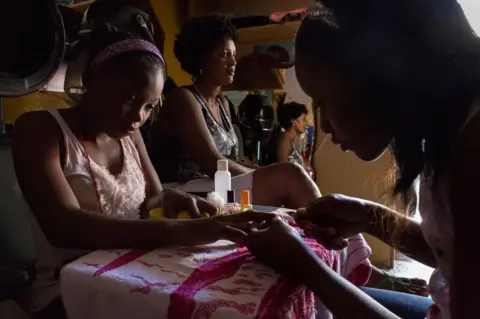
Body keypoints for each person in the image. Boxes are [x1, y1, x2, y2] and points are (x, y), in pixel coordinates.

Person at [12, 27, 275, 318]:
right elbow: (63, 226)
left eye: (149, 106)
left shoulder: (129, 135)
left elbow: (152, 198)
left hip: (133, 269)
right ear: (91, 79)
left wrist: (169, 199)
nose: (138, 117)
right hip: (70, 288)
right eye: (129, 98)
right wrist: (179, 231)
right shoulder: (40, 130)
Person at [247, 0, 480, 318]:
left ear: (375, 73)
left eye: (322, 101)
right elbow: (459, 254)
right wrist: (369, 217)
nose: (324, 126)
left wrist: (307, 267)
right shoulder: (451, 126)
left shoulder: (474, 144)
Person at [153, 15, 321, 208]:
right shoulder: (184, 99)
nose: (233, 62)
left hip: (217, 185)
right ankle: (324, 230)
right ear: (201, 59)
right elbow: (212, 162)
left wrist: (260, 169)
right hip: (184, 190)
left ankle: (319, 230)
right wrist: (262, 176)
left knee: (287, 174)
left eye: (233, 54)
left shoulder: (223, 103)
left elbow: (229, 160)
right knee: (289, 175)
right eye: (224, 55)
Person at [275, 101, 309, 167]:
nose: (306, 123)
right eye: (303, 119)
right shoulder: (286, 138)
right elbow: (282, 167)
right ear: (293, 120)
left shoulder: (290, 140)